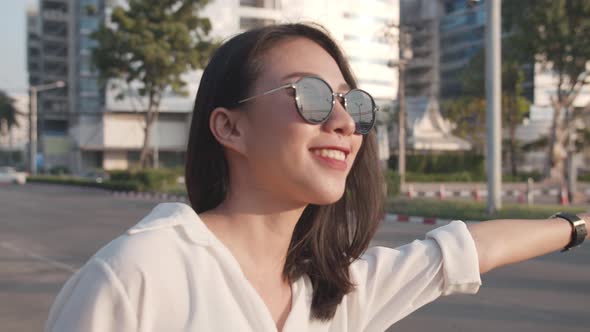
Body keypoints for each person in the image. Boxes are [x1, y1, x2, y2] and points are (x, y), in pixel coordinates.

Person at [45, 23, 588, 332]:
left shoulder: (333, 295)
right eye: (310, 96)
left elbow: (465, 248)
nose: (345, 122)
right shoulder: (138, 275)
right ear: (229, 127)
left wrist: (577, 224)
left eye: (354, 103)